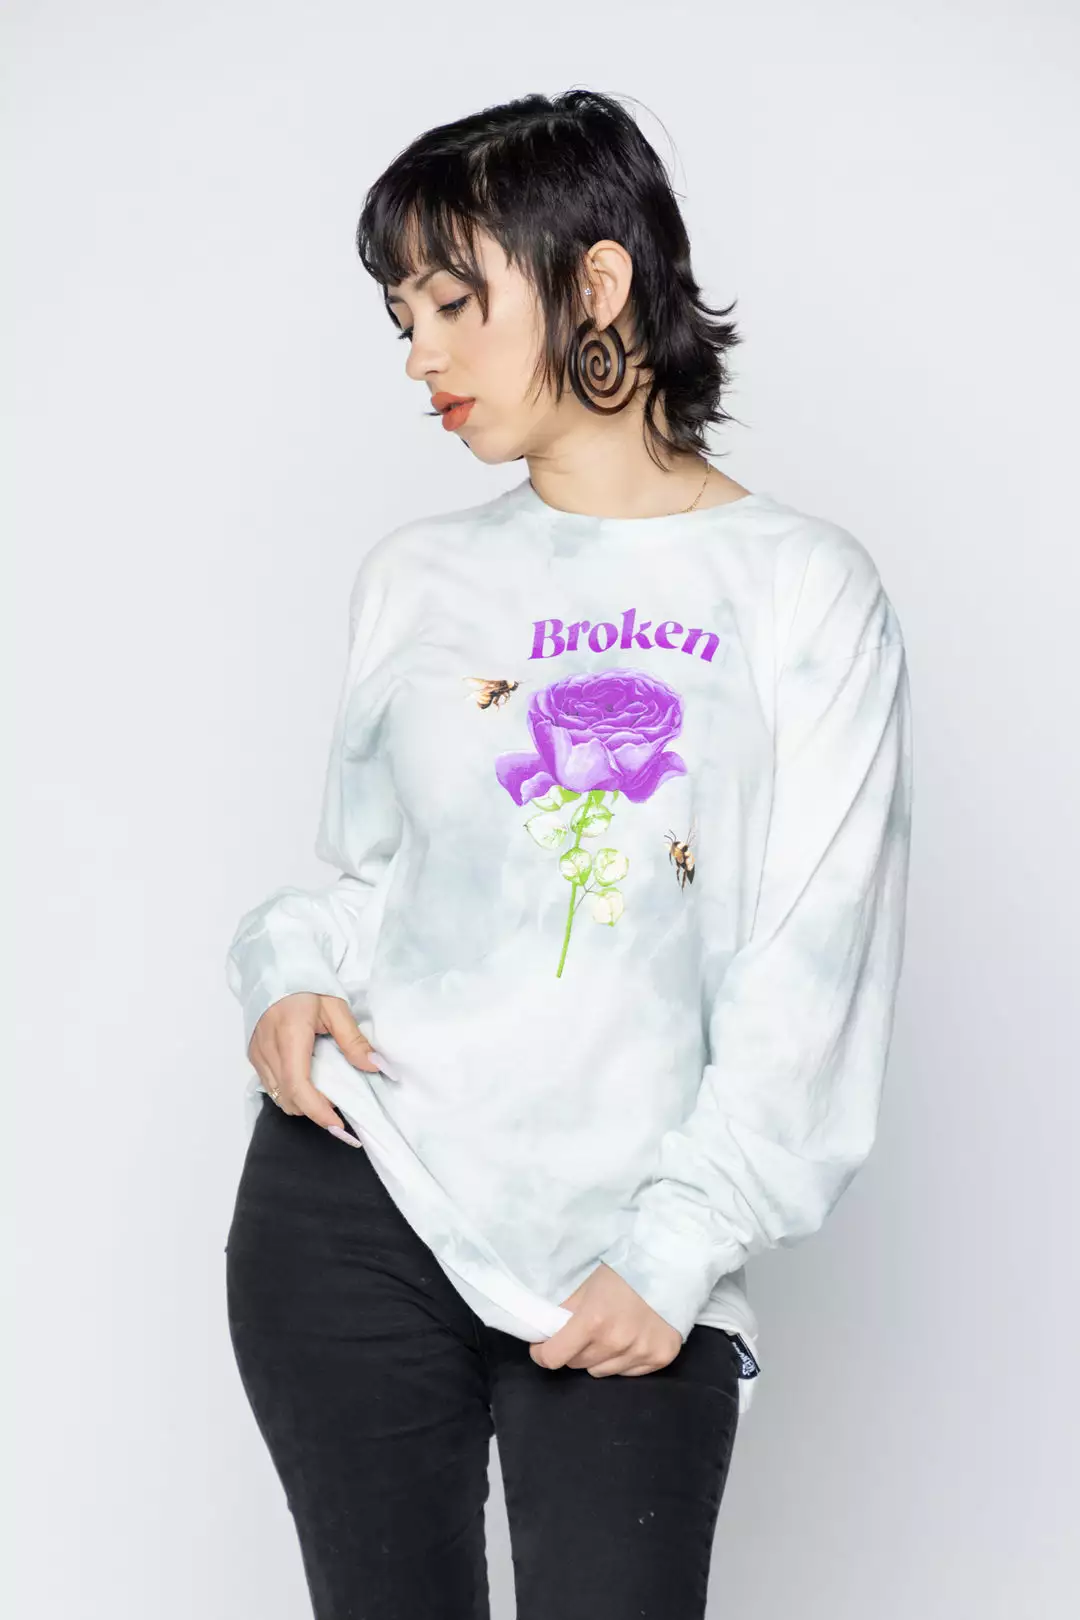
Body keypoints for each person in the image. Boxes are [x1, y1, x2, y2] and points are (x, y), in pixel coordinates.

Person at [223, 88, 913, 1620]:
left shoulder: (804, 592)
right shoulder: (415, 579)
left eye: (455, 302)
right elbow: (373, 886)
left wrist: (675, 1253)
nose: (420, 357)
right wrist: (284, 977)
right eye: (402, 316)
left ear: (597, 280)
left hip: (628, 1242)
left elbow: (813, 971)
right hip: (357, 1198)